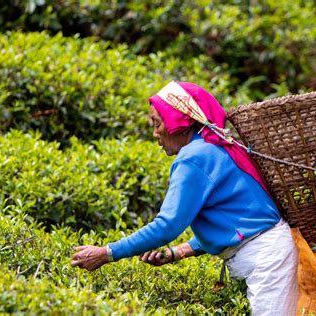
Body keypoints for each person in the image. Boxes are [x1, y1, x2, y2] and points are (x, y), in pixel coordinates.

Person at [71, 81, 299, 315]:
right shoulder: (213, 147)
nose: (154, 133)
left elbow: (167, 226)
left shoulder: (194, 157)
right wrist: (176, 253)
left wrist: (107, 252)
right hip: (269, 255)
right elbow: (236, 222)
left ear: (176, 123)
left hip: (267, 261)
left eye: (157, 124)